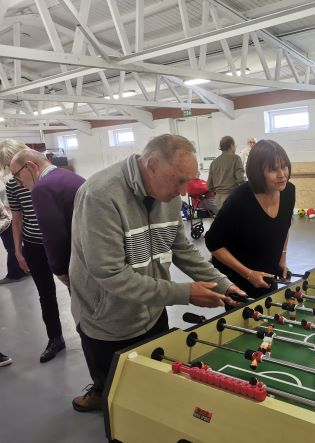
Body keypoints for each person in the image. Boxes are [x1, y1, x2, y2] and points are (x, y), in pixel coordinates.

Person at [69, 134, 245, 412]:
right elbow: (111, 274)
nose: (185, 190)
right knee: (113, 394)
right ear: (151, 166)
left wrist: (222, 283)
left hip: (152, 312)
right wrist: (183, 293)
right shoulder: (100, 195)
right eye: (179, 181)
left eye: (189, 180)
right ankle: (101, 393)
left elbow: (181, 247)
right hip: (107, 318)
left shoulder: (169, 197)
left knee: (151, 384)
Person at [204, 139, 295, 299]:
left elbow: (284, 227)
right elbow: (213, 242)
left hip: (266, 273)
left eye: (284, 166)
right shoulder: (240, 199)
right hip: (236, 279)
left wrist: (281, 260)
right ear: (258, 172)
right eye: (273, 170)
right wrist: (248, 274)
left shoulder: (288, 191)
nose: (282, 174)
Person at [0, 140, 63, 363]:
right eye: (8, 167)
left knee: (79, 289)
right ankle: (55, 338)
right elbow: (17, 217)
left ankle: (90, 332)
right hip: (34, 245)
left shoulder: (51, 179)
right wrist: (17, 250)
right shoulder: (12, 184)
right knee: (45, 294)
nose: (13, 172)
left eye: (13, 165)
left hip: (59, 242)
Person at [10, 149, 85, 288]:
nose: (18, 183)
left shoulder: (42, 188)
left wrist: (59, 270)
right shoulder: (69, 176)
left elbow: (54, 235)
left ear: (31, 166)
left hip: (77, 263)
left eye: (17, 175)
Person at [0, 170, 28, 284]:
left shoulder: (7, 177)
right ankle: (25, 270)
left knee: (12, 247)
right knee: (14, 246)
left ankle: (15, 274)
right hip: (7, 218)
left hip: (6, 220)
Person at [207, 135, 245, 209]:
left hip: (218, 199)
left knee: (223, 220)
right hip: (231, 197)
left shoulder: (213, 163)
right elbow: (240, 179)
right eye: (235, 145)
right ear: (231, 146)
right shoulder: (236, 158)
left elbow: (209, 186)